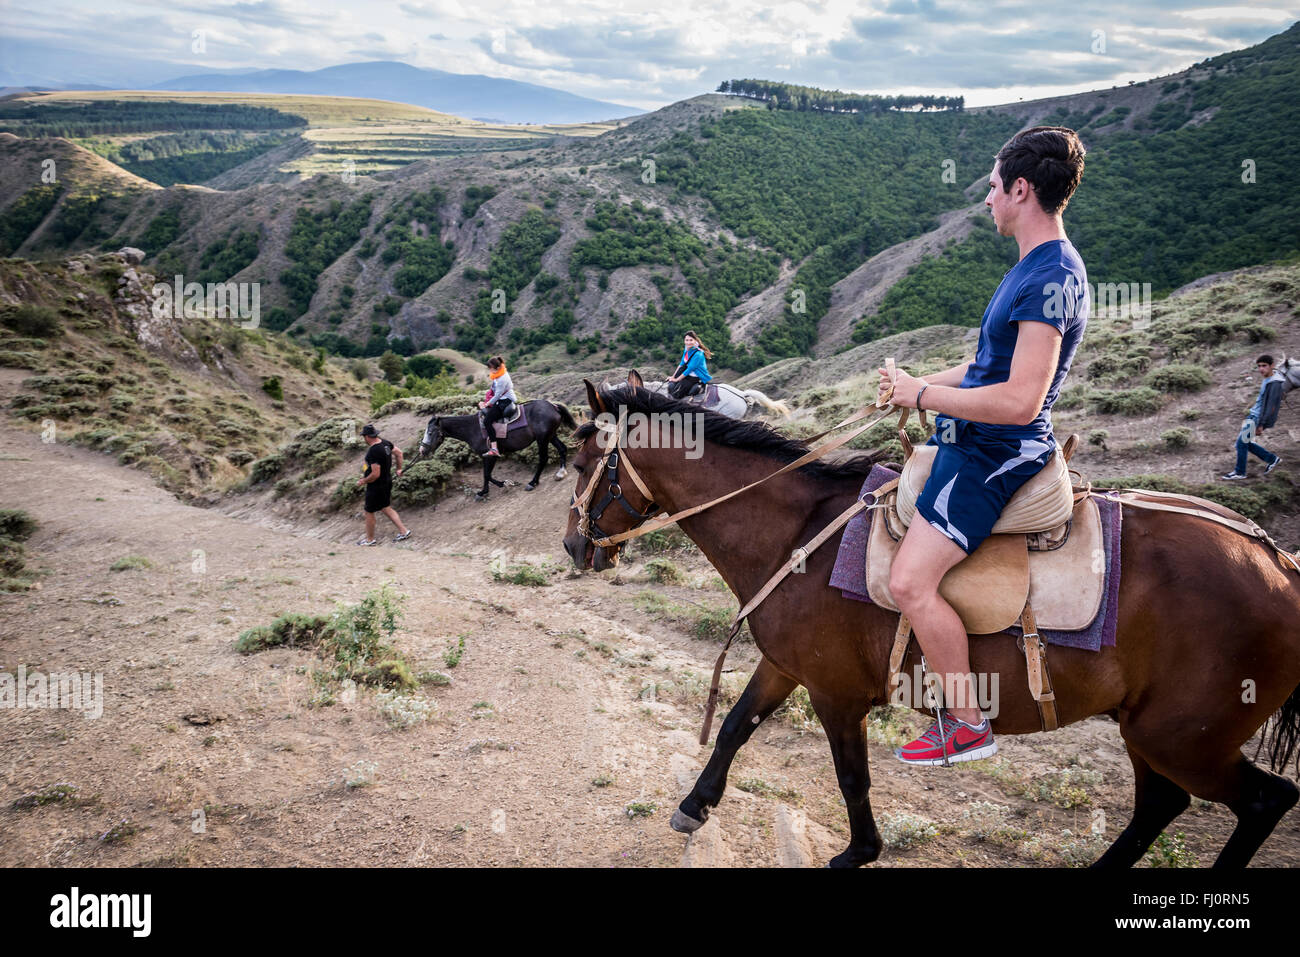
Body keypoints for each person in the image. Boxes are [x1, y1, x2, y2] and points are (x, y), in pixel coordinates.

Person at [877, 126, 1089, 766]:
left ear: (1021, 189)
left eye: (994, 188)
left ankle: (966, 724)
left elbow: (1019, 400)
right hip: (980, 438)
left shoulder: (1050, 277)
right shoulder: (1036, 267)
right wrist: (911, 385)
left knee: (910, 582)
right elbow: (984, 367)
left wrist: (922, 398)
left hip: (998, 452)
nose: (987, 200)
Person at [1221, 355, 1285, 480]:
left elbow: (1271, 407)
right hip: (1253, 415)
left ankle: (1240, 472)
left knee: (1241, 444)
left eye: (1264, 366)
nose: (1261, 369)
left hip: (1257, 418)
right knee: (1244, 443)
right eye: (1259, 366)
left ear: (1272, 365)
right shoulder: (1269, 378)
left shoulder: (1275, 383)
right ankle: (1272, 459)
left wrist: (1261, 424)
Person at [356, 424, 411, 545]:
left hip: (376, 486)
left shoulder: (373, 451)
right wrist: (399, 469)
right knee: (385, 507)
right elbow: (399, 453)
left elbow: (375, 474)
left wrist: (363, 481)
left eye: (364, 437)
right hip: (387, 481)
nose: (364, 439)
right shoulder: (385, 443)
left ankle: (370, 540)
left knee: (369, 511)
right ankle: (404, 531)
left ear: (367, 437)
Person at [479, 356, 516, 457]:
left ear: (497, 368)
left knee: (487, 421)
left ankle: (494, 448)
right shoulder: (498, 374)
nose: (489, 370)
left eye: (491, 368)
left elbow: (497, 396)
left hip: (504, 401)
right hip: (501, 399)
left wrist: (486, 404)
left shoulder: (502, 379)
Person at [667, 331, 713, 399]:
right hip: (687, 375)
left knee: (676, 394)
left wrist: (676, 380)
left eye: (691, 340)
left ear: (695, 340)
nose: (688, 342)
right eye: (687, 340)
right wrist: (673, 377)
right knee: (671, 386)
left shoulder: (698, 354)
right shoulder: (687, 349)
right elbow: (681, 364)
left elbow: (689, 370)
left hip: (695, 377)